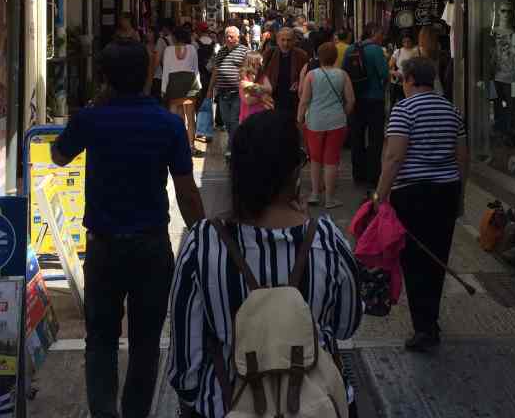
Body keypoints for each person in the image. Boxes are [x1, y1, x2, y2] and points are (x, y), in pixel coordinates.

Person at [167, 110, 362, 417]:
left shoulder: (202, 244)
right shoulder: (327, 240)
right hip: (315, 405)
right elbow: (345, 324)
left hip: (226, 405)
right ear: (295, 172)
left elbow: (184, 364)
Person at [52, 40, 205, 418]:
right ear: (147, 76)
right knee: (145, 342)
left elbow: (57, 155)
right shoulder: (167, 123)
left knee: (100, 340)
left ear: (105, 79)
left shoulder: (91, 119)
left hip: (103, 248)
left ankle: (104, 413)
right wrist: (205, 235)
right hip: (152, 247)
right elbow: (186, 191)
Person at [373, 56, 469, 352]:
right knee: (437, 258)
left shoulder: (404, 109)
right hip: (446, 191)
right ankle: (431, 320)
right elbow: (462, 157)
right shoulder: (452, 110)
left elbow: (394, 156)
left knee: (414, 261)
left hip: (413, 195)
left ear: (410, 79)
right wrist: (461, 196)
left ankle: (423, 327)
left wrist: (380, 194)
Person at [298, 41, 355, 209]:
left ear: (319, 56)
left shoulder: (312, 75)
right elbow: (351, 100)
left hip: (315, 121)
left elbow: (305, 99)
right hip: (336, 122)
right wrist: (343, 113)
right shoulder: (343, 75)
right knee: (332, 160)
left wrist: (299, 118)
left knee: (315, 159)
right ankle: (330, 198)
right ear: (336, 57)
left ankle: (315, 193)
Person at [346, 22, 389, 185]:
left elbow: (345, 73)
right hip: (375, 100)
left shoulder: (351, 49)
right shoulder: (376, 50)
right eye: (380, 34)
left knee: (357, 137)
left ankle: (358, 174)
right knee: (375, 139)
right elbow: (384, 74)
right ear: (372, 33)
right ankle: (373, 175)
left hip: (356, 99)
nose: (382, 38)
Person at [208, 25, 249, 161]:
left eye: (231, 36)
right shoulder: (221, 52)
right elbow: (215, 70)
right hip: (223, 93)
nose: (229, 39)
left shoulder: (245, 51)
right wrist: (209, 90)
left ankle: (231, 148)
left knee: (234, 121)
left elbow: (250, 71)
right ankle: (236, 144)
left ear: (238, 37)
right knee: (226, 122)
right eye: (227, 36)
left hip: (238, 92)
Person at [163, 26, 202, 155]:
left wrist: (163, 89)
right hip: (189, 83)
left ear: (174, 37)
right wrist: (199, 86)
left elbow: (166, 71)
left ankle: (176, 146)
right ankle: (191, 146)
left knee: (175, 118)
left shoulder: (168, 50)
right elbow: (196, 69)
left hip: (174, 83)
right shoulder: (192, 49)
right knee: (191, 118)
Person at [262, 27, 307, 120]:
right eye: (282, 40)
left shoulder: (301, 55)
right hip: (274, 98)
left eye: (289, 40)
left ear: (294, 41)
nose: (285, 44)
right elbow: (262, 73)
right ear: (277, 40)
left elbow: (307, 75)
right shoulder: (269, 54)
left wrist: (299, 82)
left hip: (293, 100)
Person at [239, 51, 274, 123]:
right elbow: (248, 100)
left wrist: (254, 86)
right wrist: (262, 97)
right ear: (250, 64)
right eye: (258, 63)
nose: (261, 65)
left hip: (262, 115)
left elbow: (270, 89)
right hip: (248, 116)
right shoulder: (243, 78)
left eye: (261, 63)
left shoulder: (263, 76)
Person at [389, 30, 418, 107]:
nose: (406, 44)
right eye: (404, 42)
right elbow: (389, 67)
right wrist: (394, 72)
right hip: (398, 83)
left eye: (408, 41)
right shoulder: (398, 52)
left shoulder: (417, 50)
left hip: (412, 83)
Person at [152, 19, 174, 102]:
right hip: (173, 76)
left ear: (165, 28)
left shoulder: (161, 40)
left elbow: (157, 60)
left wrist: (150, 75)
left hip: (160, 76)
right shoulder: (178, 40)